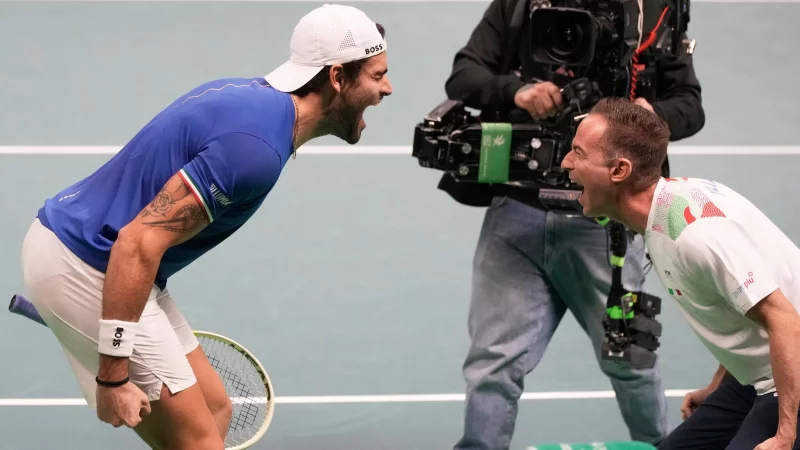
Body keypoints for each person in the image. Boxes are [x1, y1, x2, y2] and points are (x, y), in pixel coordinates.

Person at [18, 4, 392, 449]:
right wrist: (113, 374)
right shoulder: (253, 150)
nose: (387, 88)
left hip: (85, 249)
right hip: (86, 262)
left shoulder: (256, 104)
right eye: (376, 75)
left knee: (216, 411)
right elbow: (136, 243)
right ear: (336, 78)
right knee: (197, 443)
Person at [441, 0, 705, 448]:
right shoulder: (521, 5)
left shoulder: (654, 11)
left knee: (631, 361)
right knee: (492, 364)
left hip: (609, 226)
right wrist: (516, 91)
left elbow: (689, 106)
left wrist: (649, 115)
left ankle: (662, 447)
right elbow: (465, 74)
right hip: (517, 214)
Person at [561, 97, 800, 450]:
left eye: (578, 153)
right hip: (758, 374)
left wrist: (785, 436)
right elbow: (739, 310)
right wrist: (718, 384)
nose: (566, 162)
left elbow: (786, 321)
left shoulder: (694, 237)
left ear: (619, 171)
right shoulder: (665, 212)